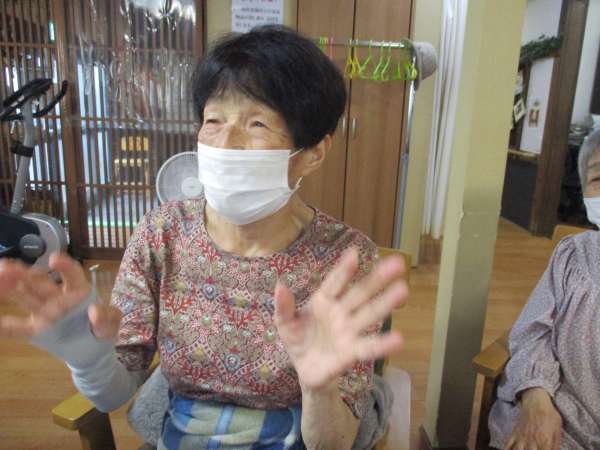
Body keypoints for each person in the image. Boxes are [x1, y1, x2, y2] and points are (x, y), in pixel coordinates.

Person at [0, 26, 408, 450]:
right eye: (213, 120)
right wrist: (87, 358)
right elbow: (116, 390)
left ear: (313, 154)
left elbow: (333, 442)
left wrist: (318, 387)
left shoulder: (345, 258)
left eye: (256, 123)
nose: (226, 142)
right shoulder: (162, 234)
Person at [488, 128, 600, 450]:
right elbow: (532, 331)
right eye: (597, 178)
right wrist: (536, 398)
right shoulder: (572, 255)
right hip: (548, 416)